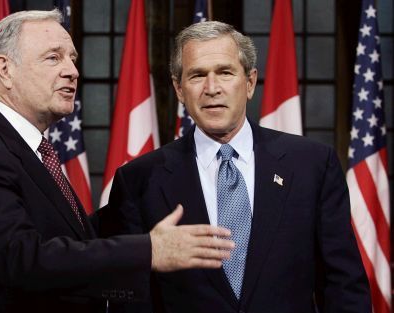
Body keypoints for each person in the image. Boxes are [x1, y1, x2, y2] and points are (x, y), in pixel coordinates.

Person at [0, 10, 235, 313]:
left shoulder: (28, 149)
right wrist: (148, 250)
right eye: (53, 57)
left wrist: (140, 199)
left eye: (72, 58)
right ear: (5, 69)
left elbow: (68, 237)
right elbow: (22, 258)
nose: (72, 70)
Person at [103, 21, 371, 313]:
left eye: (225, 72)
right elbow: (132, 300)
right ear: (179, 89)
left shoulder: (312, 165)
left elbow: (343, 286)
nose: (212, 88)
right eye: (197, 76)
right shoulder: (140, 180)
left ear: (250, 82)